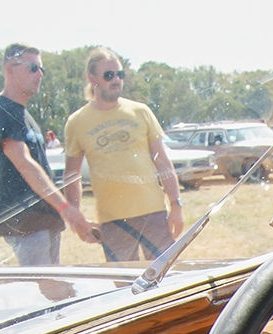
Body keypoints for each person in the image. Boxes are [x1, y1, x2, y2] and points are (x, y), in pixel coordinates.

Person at [63, 47, 185, 262]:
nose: (116, 80)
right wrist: (77, 218)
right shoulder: (76, 122)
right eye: (109, 75)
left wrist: (175, 205)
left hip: (153, 214)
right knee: (124, 287)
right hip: (113, 221)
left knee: (166, 279)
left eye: (120, 74)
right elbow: (72, 175)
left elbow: (163, 162)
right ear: (92, 78)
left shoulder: (141, 111)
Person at [0, 43, 97, 266]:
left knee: (54, 290)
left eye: (41, 69)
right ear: (9, 69)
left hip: (44, 221)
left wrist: (68, 215)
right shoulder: (1, 112)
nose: (40, 75)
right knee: (46, 290)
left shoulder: (23, 114)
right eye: (33, 68)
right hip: (26, 225)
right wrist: (66, 209)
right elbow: (24, 163)